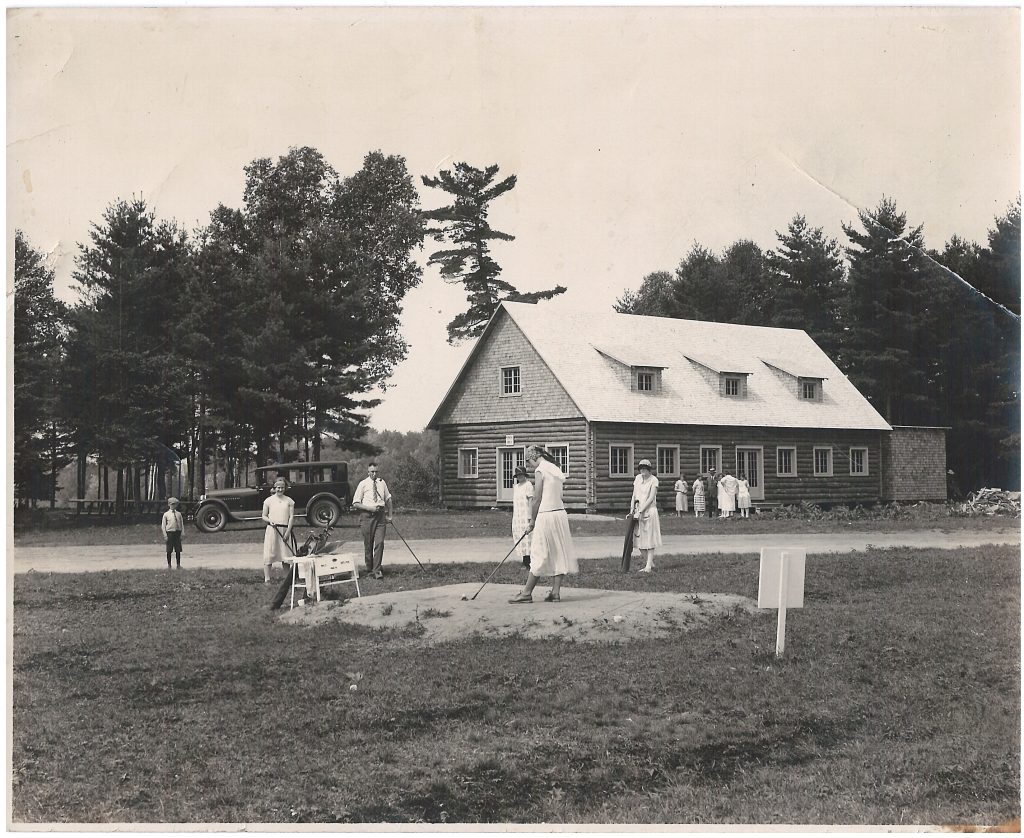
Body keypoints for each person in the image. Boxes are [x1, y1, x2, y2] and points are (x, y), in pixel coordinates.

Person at [509, 445, 578, 603]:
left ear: (533, 457)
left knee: (538, 552)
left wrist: (532, 521)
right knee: (558, 552)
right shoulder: (555, 468)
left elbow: (537, 498)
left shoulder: (540, 470)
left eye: (528, 461)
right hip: (559, 514)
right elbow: (558, 494)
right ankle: (555, 593)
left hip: (546, 515)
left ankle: (526, 593)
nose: (529, 464)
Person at [352, 462, 393, 579]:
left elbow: (388, 499)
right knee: (368, 544)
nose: (374, 474)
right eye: (372, 472)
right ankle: (369, 568)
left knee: (379, 543)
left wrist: (390, 516)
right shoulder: (363, 484)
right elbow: (355, 503)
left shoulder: (382, 482)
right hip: (367, 516)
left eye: (376, 472)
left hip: (380, 516)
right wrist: (370, 508)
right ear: (368, 472)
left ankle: (377, 570)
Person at [631, 459, 663, 572]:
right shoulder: (637, 478)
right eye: (641, 468)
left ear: (649, 469)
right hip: (637, 512)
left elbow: (650, 498)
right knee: (638, 540)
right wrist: (632, 510)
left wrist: (640, 511)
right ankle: (650, 563)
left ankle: (648, 566)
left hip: (650, 511)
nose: (643, 470)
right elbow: (634, 495)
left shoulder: (654, 480)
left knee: (650, 539)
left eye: (645, 468)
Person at [261, 477, 295, 583]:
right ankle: (267, 579)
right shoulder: (268, 501)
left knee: (285, 555)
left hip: (284, 530)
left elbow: (291, 517)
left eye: (282, 487)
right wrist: (270, 521)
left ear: (285, 488)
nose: (280, 489)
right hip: (272, 530)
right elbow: (264, 516)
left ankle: (286, 580)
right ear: (274, 488)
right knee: (269, 553)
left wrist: (288, 532)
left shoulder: (289, 501)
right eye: (278, 487)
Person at [511, 465, 534, 568]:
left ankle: (529, 562)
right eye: (518, 475)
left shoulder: (528, 485)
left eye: (521, 475)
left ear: (525, 475)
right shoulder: (516, 487)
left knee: (528, 537)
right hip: (518, 516)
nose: (520, 477)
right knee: (519, 535)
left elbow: (530, 501)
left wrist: (530, 515)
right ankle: (524, 560)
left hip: (525, 514)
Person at [161, 497, 184, 569]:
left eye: (174, 504)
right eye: (172, 504)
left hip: (177, 533)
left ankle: (178, 564)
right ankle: (169, 565)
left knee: (178, 550)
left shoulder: (178, 514)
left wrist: (182, 533)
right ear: (169, 505)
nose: (173, 506)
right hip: (170, 533)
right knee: (169, 550)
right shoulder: (166, 514)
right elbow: (163, 526)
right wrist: (165, 535)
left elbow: (181, 524)